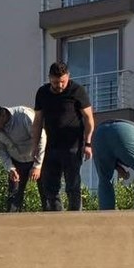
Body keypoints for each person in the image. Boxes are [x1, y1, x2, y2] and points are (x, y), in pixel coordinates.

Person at [30, 62, 94, 211]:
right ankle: (56, 217)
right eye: (55, 82)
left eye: (62, 82)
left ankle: (74, 218)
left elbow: (89, 118)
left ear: (68, 77)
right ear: (49, 79)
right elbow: (38, 121)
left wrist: (88, 143)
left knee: (73, 185)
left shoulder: (77, 91)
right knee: (50, 186)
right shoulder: (42, 93)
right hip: (51, 146)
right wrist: (34, 146)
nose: (59, 85)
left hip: (73, 146)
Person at [0, 103, 47, 212]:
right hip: (17, 162)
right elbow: (1, 151)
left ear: (2, 115)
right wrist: (10, 168)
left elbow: (41, 138)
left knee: (47, 193)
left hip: (38, 157)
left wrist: (38, 166)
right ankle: (11, 223)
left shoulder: (23, 115)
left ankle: (54, 222)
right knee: (14, 196)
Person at [91, 119, 134, 210]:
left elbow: (113, 150)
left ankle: (106, 218)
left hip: (99, 133)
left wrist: (118, 167)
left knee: (104, 179)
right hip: (124, 130)